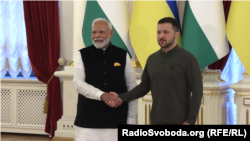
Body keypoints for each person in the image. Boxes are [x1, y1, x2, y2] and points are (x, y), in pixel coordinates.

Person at [106, 17, 203, 125]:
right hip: (156, 120)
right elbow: (143, 87)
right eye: (159, 32)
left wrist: (190, 120)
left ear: (176, 35)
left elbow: (197, 91)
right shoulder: (152, 59)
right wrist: (120, 97)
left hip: (181, 121)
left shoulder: (188, 58)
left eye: (166, 32)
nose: (161, 36)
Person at [73, 18, 138, 141]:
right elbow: (78, 84)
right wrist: (102, 95)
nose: (97, 36)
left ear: (111, 33)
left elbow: (131, 87)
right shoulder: (82, 54)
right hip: (88, 120)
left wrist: (131, 119)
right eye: (94, 32)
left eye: (101, 32)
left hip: (117, 118)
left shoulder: (122, 55)